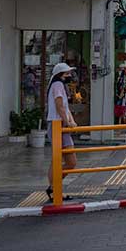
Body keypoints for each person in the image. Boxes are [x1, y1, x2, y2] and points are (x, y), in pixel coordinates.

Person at [45, 63, 78, 202]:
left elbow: (65, 107)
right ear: (60, 75)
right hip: (57, 124)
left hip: (61, 125)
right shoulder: (57, 85)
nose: (69, 76)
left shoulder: (60, 86)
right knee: (60, 159)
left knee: (68, 161)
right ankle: (54, 189)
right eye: (67, 73)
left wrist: (71, 121)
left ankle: (54, 187)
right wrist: (68, 122)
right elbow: (59, 106)